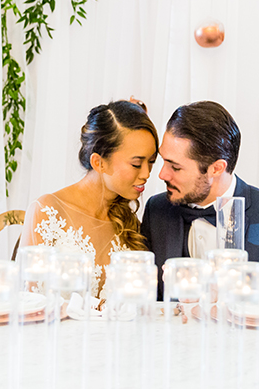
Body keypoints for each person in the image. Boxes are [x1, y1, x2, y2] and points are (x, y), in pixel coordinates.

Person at [141, 101, 259, 299]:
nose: (162, 174)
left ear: (217, 168)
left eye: (175, 167)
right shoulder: (157, 209)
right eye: (164, 161)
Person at [20, 100, 158, 299]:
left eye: (151, 161)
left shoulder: (130, 226)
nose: (147, 173)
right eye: (137, 164)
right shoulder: (47, 212)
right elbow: (29, 304)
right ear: (98, 162)